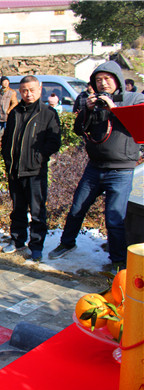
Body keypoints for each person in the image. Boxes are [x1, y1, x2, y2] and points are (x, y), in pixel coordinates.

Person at [49, 61, 144, 268]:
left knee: (114, 219)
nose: (103, 84)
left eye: (107, 79)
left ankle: (118, 262)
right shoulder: (93, 102)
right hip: (94, 167)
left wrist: (115, 109)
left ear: (117, 80)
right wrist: (87, 111)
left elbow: (139, 125)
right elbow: (78, 130)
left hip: (121, 169)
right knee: (76, 208)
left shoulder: (134, 99)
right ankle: (67, 243)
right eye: (99, 80)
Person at [0, 75, 61, 261]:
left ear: (40, 89)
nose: (28, 94)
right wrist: (8, 160)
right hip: (15, 170)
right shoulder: (15, 112)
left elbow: (54, 142)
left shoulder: (48, 113)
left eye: (32, 90)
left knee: (37, 211)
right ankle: (17, 240)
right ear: (20, 91)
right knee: (17, 208)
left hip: (35, 171)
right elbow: (7, 140)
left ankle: (36, 245)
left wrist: (38, 158)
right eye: (24, 90)